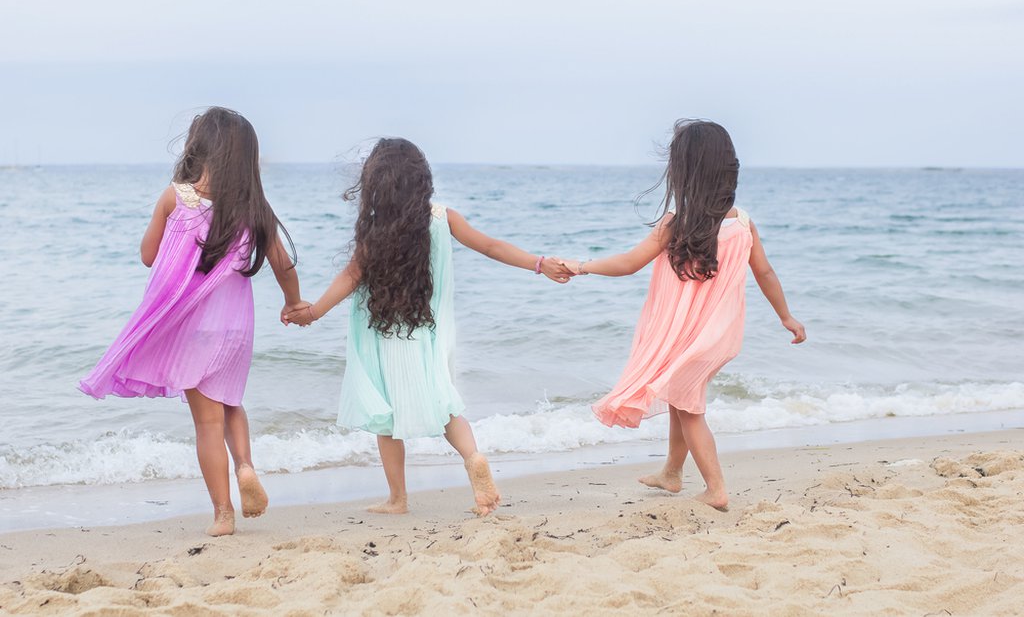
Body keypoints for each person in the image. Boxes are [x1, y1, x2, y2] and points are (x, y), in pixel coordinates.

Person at [284, 137, 573, 516]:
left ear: (376, 184)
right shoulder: (443, 217)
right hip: (426, 331)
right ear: (422, 179)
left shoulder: (375, 230)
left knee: (384, 417)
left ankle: (398, 498)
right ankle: (473, 458)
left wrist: (314, 311)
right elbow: (491, 246)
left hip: (383, 332)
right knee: (444, 405)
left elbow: (350, 277)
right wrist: (539, 263)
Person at [560, 119, 806, 510]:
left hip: (691, 337)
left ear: (684, 173)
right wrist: (786, 316)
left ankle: (716, 488)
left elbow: (628, 263)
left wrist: (581, 265)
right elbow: (765, 272)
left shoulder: (676, 224)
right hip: (716, 335)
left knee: (690, 410)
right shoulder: (742, 224)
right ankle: (672, 473)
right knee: (680, 396)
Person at [79, 107, 303, 536]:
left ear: (198, 149)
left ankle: (223, 513)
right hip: (236, 332)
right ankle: (246, 467)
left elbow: (148, 256)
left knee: (206, 422)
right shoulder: (255, 210)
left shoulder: (176, 198)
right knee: (231, 403)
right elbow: (283, 265)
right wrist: (295, 303)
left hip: (193, 332)